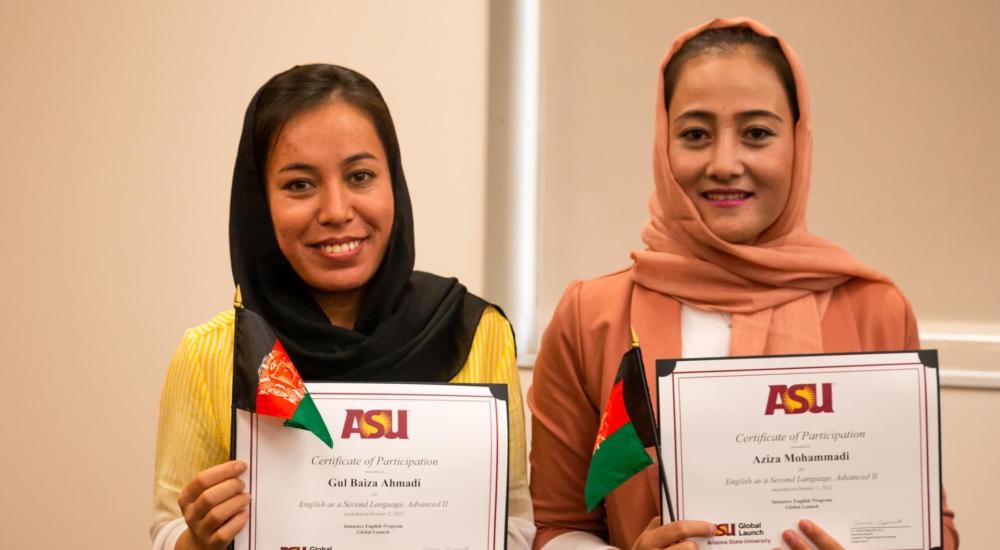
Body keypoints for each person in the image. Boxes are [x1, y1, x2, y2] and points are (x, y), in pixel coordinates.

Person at [528, 18, 958, 550]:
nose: (724, 163)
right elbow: (560, 525)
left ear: (797, 144)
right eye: (695, 134)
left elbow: (930, 526)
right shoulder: (593, 316)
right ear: (663, 144)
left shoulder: (874, 309)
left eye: (756, 133)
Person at [151, 64, 533, 550]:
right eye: (299, 185)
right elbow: (167, 529)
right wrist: (196, 540)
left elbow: (517, 525)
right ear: (257, 202)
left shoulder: (473, 331)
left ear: (393, 180)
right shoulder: (213, 354)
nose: (335, 210)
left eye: (360, 176)